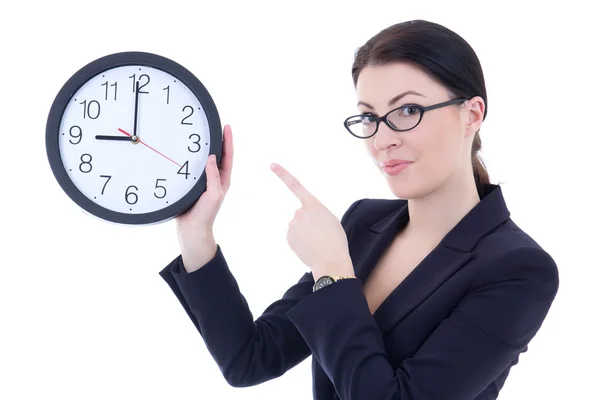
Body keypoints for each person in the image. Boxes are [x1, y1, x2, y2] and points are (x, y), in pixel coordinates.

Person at [159, 19, 559, 400]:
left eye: (408, 111)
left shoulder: (518, 270)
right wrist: (197, 233)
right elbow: (249, 358)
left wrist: (333, 274)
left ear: (471, 114)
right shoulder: (364, 223)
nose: (382, 139)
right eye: (369, 117)